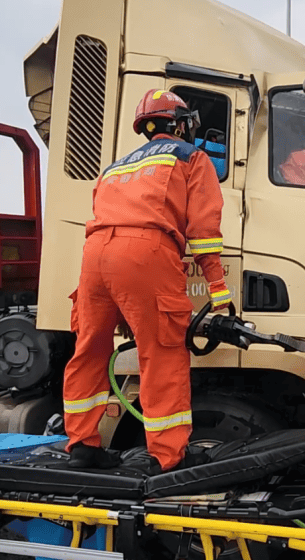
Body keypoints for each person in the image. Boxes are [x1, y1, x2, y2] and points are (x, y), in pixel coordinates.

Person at [63, 89, 230, 473]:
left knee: (89, 350)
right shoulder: (190, 157)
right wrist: (218, 288)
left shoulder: (115, 168)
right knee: (162, 352)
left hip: (95, 255)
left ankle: (82, 446)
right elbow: (203, 230)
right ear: (179, 124)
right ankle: (168, 455)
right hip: (146, 251)